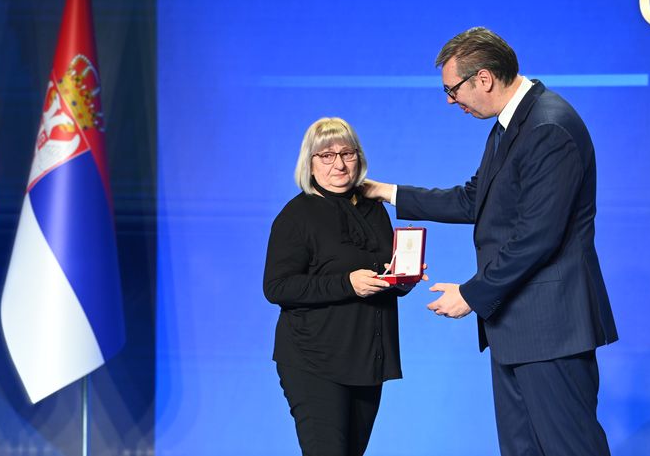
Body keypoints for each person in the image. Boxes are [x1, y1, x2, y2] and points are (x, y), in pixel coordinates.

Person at [364, 27, 618, 456]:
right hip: (516, 328)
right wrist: (386, 192)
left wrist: (472, 294)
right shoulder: (510, 125)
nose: (450, 101)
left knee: (569, 448)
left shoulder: (548, 126)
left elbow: (537, 236)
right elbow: (473, 199)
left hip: (551, 329)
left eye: (452, 90)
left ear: (483, 78)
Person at [263, 117, 415, 456]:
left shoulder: (374, 209)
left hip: (366, 360)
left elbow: (382, 275)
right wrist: (347, 283)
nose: (340, 164)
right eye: (327, 155)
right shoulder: (296, 215)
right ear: (310, 163)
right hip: (314, 360)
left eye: (347, 153)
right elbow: (277, 287)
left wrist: (402, 278)